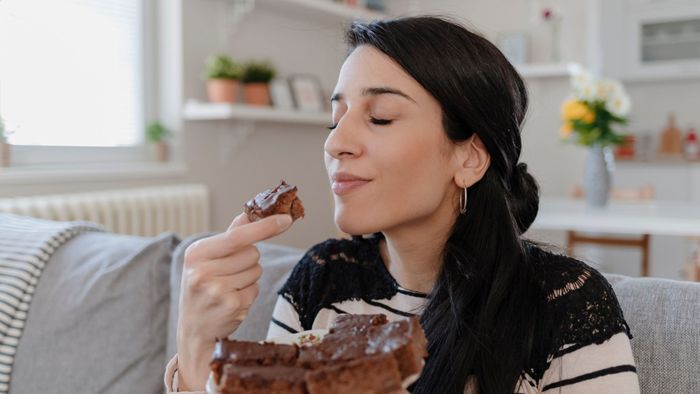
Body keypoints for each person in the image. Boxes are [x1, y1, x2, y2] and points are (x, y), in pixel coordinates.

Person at [166, 16, 640, 394]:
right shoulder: (321, 279)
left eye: (380, 117)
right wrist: (194, 343)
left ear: (470, 157)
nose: (336, 144)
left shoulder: (565, 302)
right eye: (336, 119)